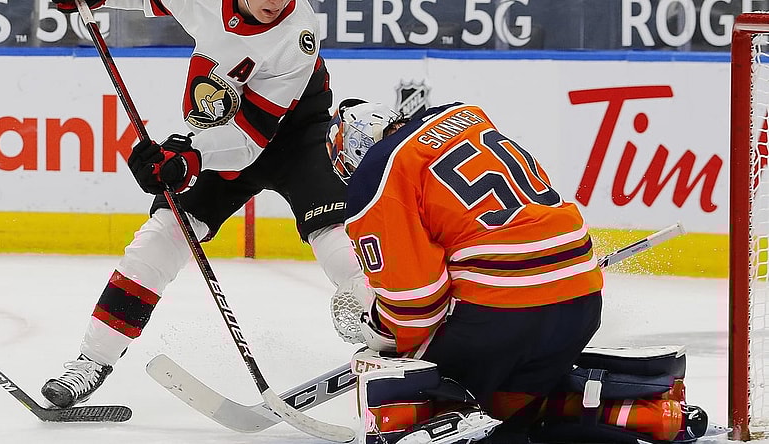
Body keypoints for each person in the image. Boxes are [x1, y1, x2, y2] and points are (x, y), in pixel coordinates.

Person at [40, 0, 364, 409]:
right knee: (160, 238)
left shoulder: (297, 33)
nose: (275, 3)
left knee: (337, 238)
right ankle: (93, 359)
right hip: (221, 135)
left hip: (297, 141)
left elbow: (251, 141)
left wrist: (188, 160)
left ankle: (399, 337)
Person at [326, 100, 708, 444]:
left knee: (414, 387)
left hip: (502, 317)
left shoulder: (376, 174)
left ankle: (452, 423)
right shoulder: (466, 117)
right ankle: (638, 414)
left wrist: (380, 328)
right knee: (512, 409)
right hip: (582, 300)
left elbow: (416, 303)